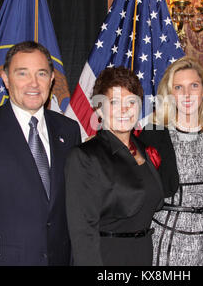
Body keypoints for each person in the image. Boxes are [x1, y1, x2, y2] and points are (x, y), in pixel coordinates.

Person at [0, 41, 81, 265]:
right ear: (6, 79)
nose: (33, 83)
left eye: (41, 74)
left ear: (51, 80)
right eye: (22, 74)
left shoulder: (68, 131)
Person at [65, 67, 164, 266]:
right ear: (100, 109)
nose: (125, 110)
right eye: (115, 102)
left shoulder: (145, 150)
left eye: (131, 102)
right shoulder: (85, 157)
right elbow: (82, 233)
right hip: (107, 258)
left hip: (143, 256)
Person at [138, 56, 203, 266]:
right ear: (170, 95)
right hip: (167, 238)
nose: (187, 94)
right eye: (178, 87)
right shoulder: (154, 134)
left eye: (193, 86)